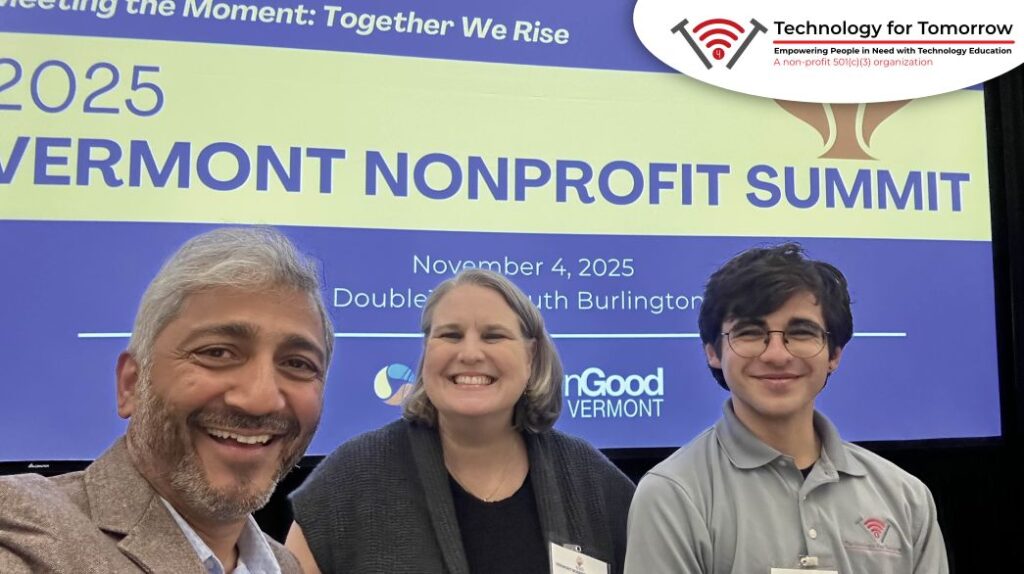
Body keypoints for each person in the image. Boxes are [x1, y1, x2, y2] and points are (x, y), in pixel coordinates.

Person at [0, 227, 334, 574]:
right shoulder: (26, 535)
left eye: (297, 364)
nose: (260, 400)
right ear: (131, 384)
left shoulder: (285, 565)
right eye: (217, 352)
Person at [624, 243, 948, 573]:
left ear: (834, 354)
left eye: (801, 332)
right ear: (713, 353)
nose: (777, 355)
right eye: (750, 333)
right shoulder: (673, 494)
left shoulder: (906, 498)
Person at [286, 269, 635, 574]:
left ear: (530, 356)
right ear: (427, 350)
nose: (469, 353)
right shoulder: (351, 479)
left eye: (494, 336)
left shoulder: (594, 485)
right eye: (450, 335)